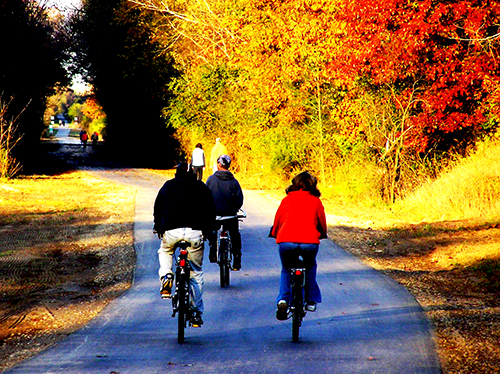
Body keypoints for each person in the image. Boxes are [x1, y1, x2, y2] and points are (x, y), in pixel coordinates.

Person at [153, 162, 216, 327]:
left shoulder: (168, 186)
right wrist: (208, 232)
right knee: (195, 273)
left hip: (171, 231)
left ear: (177, 172)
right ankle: (195, 312)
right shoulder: (201, 188)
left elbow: (158, 207)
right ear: (193, 172)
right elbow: (211, 211)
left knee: (165, 251)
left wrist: (159, 227)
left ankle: (167, 275)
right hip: (195, 233)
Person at [269, 171, 327, 320]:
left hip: (286, 241)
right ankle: (310, 301)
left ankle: (283, 299)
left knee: (286, 270)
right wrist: (323, 233)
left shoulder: (286, 200)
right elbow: (321, 222)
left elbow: (278, 221)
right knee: (310, 267)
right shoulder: (315, 201)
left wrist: (275, 233)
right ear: (312, 185)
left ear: (294, 184)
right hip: (309, 243)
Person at [206, 154, 244, 270]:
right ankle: (237, 258)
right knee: (234, 235)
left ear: (218, 164)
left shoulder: (211, 180)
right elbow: (239, 200)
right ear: (228, 166)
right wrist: (234, 208)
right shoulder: (234, 182)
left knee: (210, 229)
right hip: (230, 215)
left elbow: (206, 197)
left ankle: (213, 250)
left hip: (215, 215)